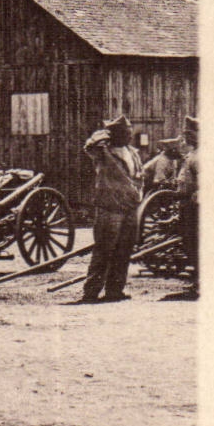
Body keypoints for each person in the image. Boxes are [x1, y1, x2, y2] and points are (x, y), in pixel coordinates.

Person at [78, 114, 142, 303]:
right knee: (104, 250)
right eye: (125, 133)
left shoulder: (132, 152)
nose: (129, 136)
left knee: (124, 250)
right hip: (110, 208)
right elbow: (89, 146)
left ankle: (115, 290)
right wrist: (103, 134)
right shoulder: (102, 152)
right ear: (114, 134)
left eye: (130, 132)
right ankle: (91, 292)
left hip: (130, 207)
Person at [176, 116, 199, 294]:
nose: (185, 139)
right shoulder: (192, 155)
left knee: (196, 243)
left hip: (196, 208)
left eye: (188, 136)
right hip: (186, 205)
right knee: (189, 242)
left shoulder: (200, 156)